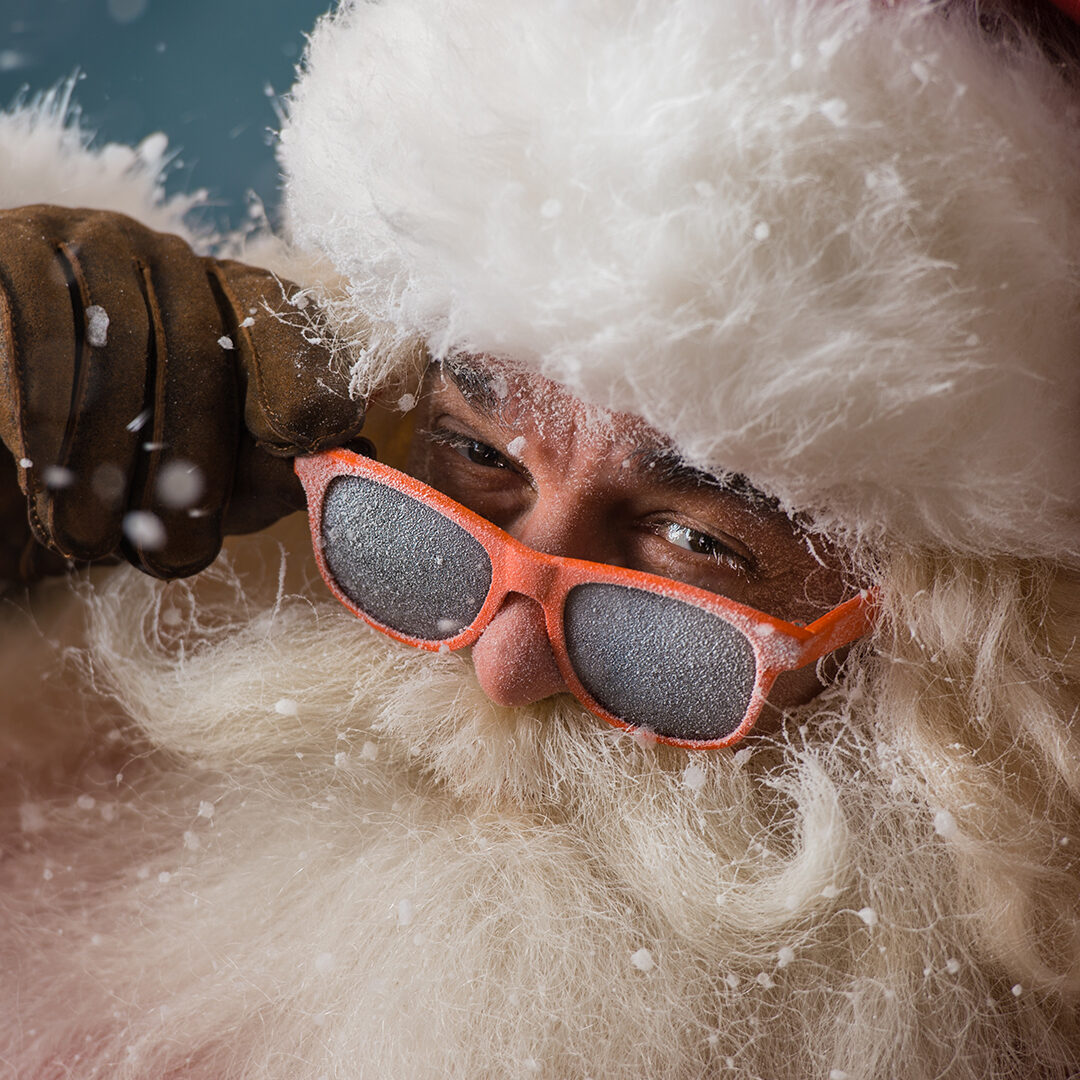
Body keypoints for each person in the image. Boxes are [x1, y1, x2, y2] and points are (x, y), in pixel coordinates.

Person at [2, 0, 1080, 1076]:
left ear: (972, 674)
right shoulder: (65, 771)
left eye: (697, 544)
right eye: (477, 456)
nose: (504, 668)